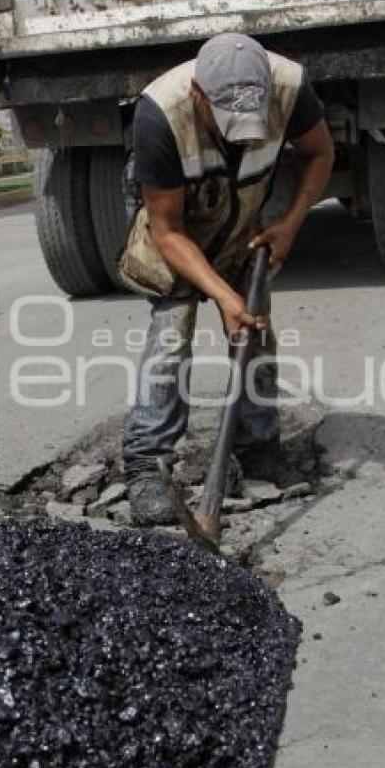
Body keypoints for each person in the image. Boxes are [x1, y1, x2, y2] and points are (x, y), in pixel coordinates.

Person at [119, 32, 334, 526]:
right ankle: (148, 467)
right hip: (174, 222)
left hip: (242, 215)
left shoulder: (291, 88)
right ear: (199, 96)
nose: (246, 133)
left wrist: (290, 225)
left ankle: (258, 447)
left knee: (254, 327)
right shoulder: (160, 115)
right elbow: (168, 230)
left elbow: (320, 154)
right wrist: (220, 295)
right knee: (172, 331)